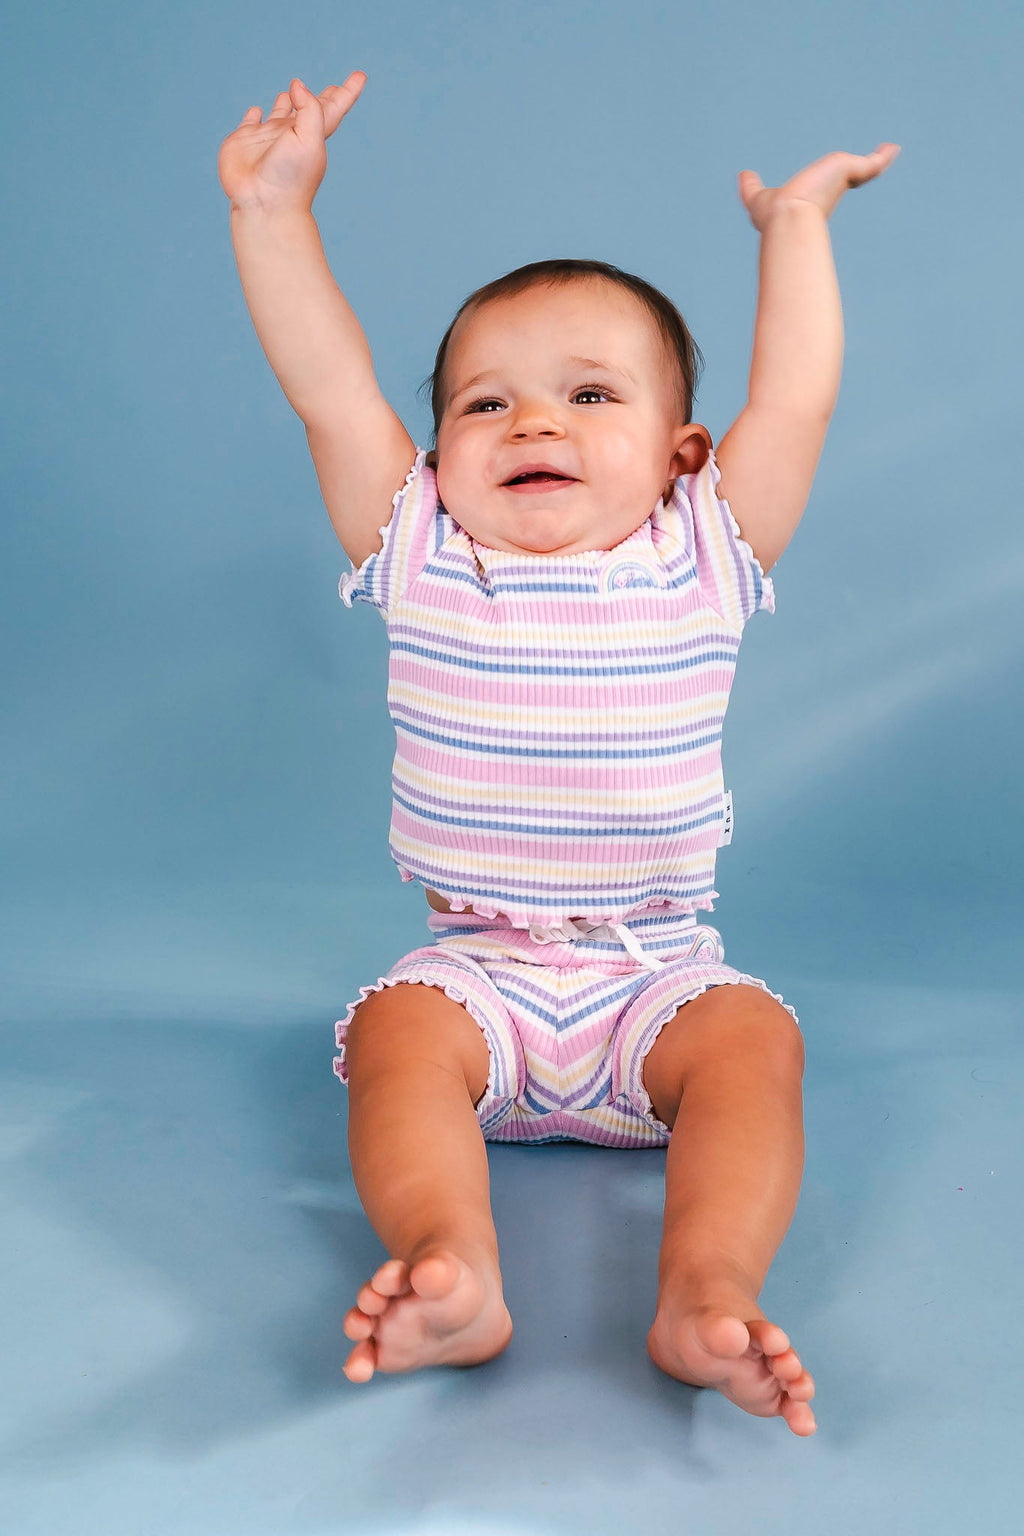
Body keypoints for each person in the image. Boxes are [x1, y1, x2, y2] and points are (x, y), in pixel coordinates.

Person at [219, 71, 899, 1437]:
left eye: (590, 394)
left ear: (681, 454)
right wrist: (271, 210)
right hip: (476, 969)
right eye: (483, 405)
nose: (532, 423)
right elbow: (331, 392)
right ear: (441, 456)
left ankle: (706, 1284)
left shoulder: (704, 552)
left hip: (658, 972)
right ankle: (448, 1261)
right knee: (395, 1036)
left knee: (755, 1043)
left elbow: (801, 400)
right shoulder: (420, 553)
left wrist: (798, 227)